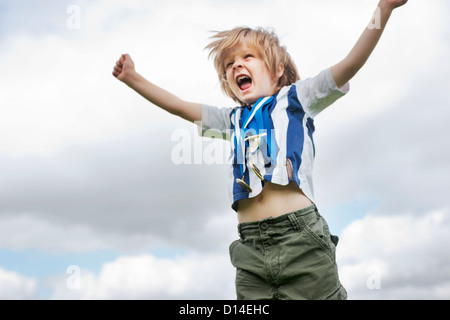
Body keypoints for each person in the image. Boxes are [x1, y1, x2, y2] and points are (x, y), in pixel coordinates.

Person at [112, 0, 408, 300]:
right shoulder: (231, 120)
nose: (237, 65)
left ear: (279, 69)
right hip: (250, 250)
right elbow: (180, 107)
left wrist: (384, 8)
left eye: (248, 57)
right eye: (229, 64)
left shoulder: (298, 99)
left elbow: (350, 64)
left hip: (300, 240)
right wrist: (133, 78)